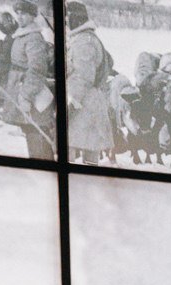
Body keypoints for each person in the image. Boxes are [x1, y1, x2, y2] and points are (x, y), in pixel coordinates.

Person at [63, 1, 116, 164]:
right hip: (89, 101)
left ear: (75, 19)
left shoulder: (84, 41)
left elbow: (82, 76)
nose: (65, 23)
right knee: (89, 146)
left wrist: (70, 102)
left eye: (66, 19)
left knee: (75, 148)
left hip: (84, 102)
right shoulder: (85, 38)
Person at [6, 0, 57, 160]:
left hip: (33, 95)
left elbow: (37, 69)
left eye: (24, 14)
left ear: (32, 16)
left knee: (37, 133)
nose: (19, 17)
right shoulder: (22, 34)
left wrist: (26, 96)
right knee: (31, 132)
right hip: (23, 89)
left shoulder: (33, 38)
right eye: (18, 13)